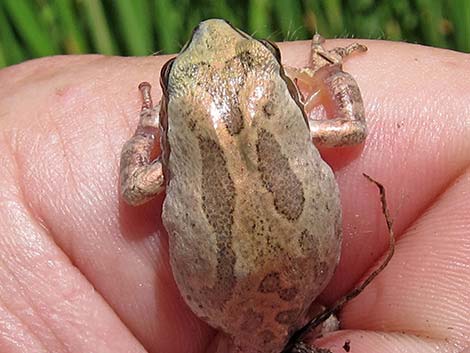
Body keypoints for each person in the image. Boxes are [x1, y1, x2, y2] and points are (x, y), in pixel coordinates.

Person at [0, 39, 468, 353]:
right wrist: (331, 75)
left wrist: (145, 130)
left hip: (227, 318)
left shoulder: (170, 166)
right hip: (312, 295)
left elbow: (133, 185)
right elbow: (354, 127)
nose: (210, 31)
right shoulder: (304, 126)